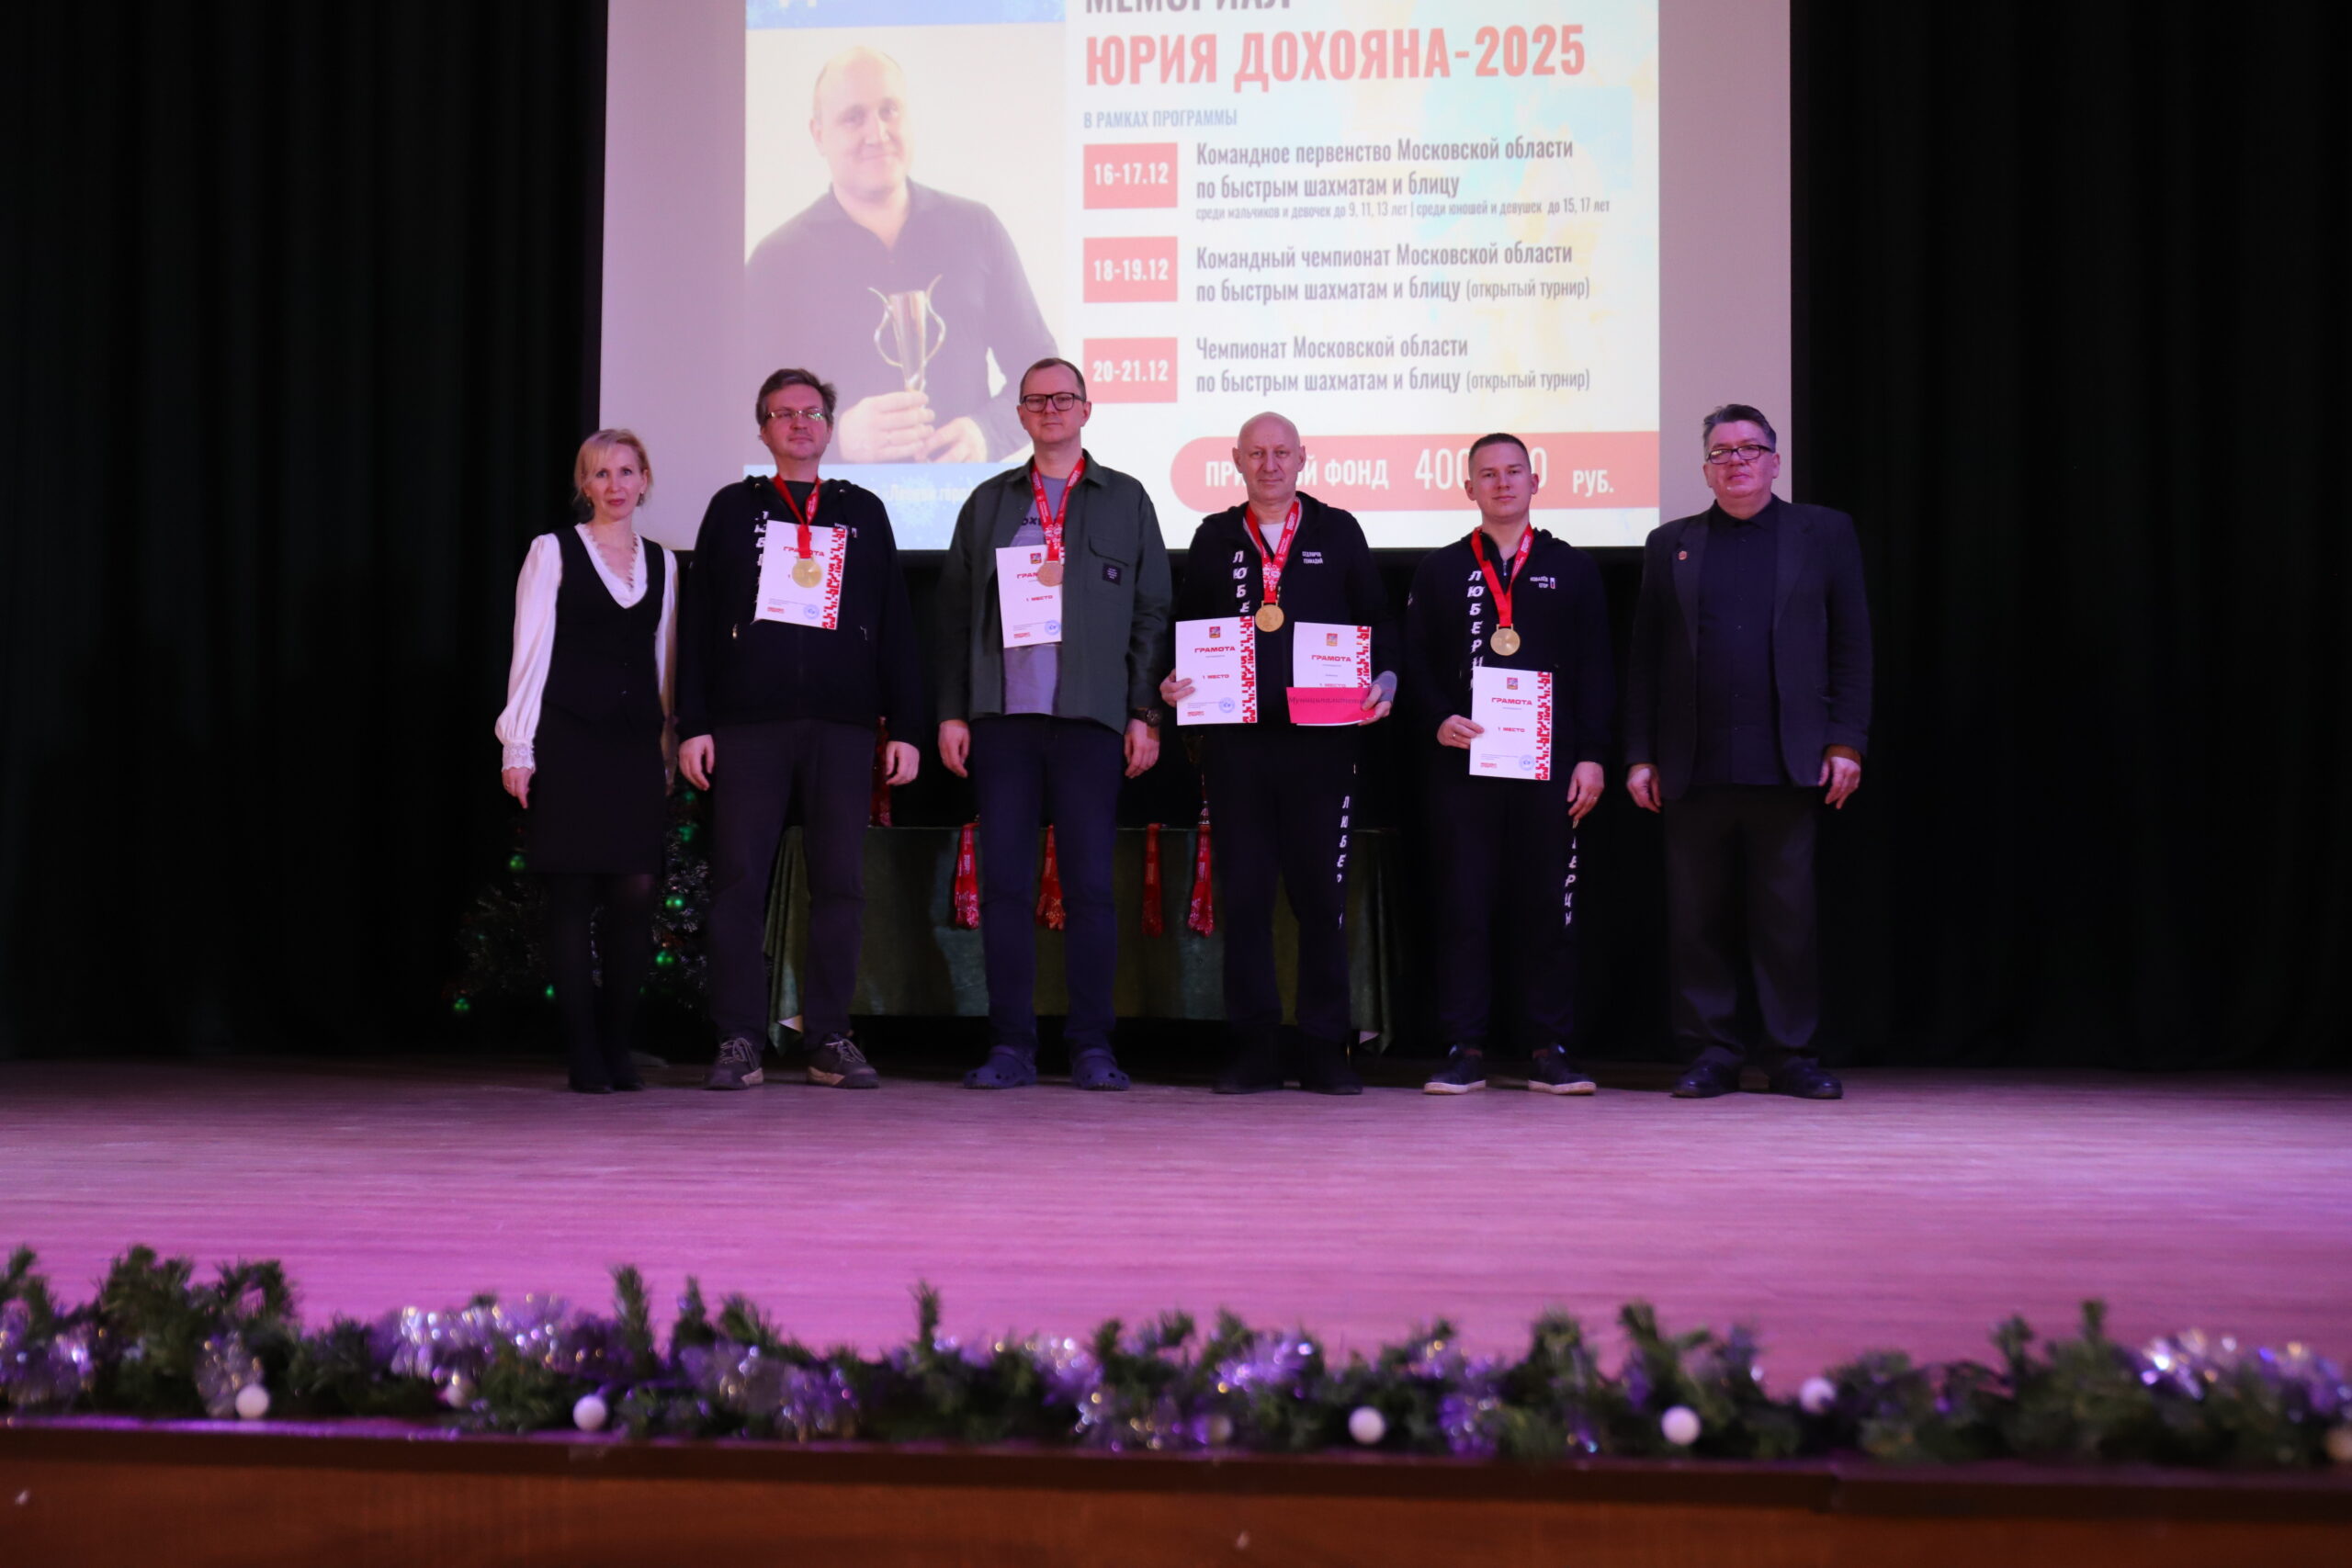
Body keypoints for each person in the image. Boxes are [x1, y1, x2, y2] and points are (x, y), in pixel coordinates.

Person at [675, 368, 926, 1091]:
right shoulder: (732, 508)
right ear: (763, 430)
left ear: (830, 426)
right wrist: (694, 723)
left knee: (840, 883)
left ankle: (828, 1037)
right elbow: (697, 624)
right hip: (747, 724)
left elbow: (896, 623)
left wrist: (906, 725)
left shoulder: (863, 509)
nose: (799, 423)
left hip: (843, 724)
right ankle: (739, 1038)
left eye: (812, 412)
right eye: (783, 413)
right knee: (738, 882)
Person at [1623, 404, 1872, 1100]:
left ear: (1774, 461)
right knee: (1696, 921)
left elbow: (1853, 644)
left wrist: (1846, 740)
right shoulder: (1670, 543)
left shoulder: (1824, 533)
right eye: (1721, 452)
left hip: (1789, 762)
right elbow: (1645, 658)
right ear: (1705, 469)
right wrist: (1639, 753)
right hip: (1692, 764)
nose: (1736, 462)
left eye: (1749, 449)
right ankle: (1711, 1052)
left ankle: (1792, 1055)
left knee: (1787, 920)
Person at [935, 357, 1171, 1090]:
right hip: (1003, 718)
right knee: (1005, 887)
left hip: (1090, 719)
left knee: (1090, 888)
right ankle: (1011, 1045)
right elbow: (953, 615)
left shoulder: (1126, 499)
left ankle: (1092, 1045)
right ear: (1020, 413)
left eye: (1064, 398)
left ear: (1087, 409)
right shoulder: (989, 500)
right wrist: (951, 711)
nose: (1050, 410)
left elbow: (1151, 613)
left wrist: (1144, 713)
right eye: (1036, 400)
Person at [1159, 412, 1397, 1095]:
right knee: (1246, 897)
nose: (1270, 465)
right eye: (1257, 453)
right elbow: (1185, 629)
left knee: (1321, 899)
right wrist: (1172, 681)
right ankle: (1256, 1047)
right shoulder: (1213, 536)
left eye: (1282, 453)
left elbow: (1378, 621)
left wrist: (1385, 679)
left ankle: (1324, 1046)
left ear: (1302, 459)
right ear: (1237, 461)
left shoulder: (1337, 530)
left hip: (1322, 745)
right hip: (1236, 747)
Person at [1404, 434, 1614, 1096]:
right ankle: (1464, 1047)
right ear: (1468, 487)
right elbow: (1413, 661)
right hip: (1463, 765)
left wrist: (1591, 756)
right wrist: (1438, 717)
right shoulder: (1439, 569)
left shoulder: (1572, 568)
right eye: (1488, 474)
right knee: (1464, 906)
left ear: (1534, 480)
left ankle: (1548, 1047)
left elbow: (1596, 669)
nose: (1502, 483)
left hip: (1548, 768)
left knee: (1545, 907)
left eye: (1514, 472)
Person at [744, 47, 1057, 466]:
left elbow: (1045, 378)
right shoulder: (776, 260)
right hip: (832, 504)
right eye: (853, 117)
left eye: (889, 111)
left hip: (962, 503)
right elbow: (739, 416)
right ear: (818, 134)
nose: (877, 133)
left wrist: (988, 433)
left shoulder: (976, 228)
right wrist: (832, 437)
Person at [494, 430, 678, 1094]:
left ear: (644, 479)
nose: (615, 485)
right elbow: (530, 649)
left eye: (626, 472)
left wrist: (666, 748)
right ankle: (583, 1054)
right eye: (600, 474)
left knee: (635, 895)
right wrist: (519, 746)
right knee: (571, 896)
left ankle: (617, 1045)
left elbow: (664, 659)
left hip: (633, 746)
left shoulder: (663, 562)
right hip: (569, 739)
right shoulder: (553, 551)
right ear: (585, 485)